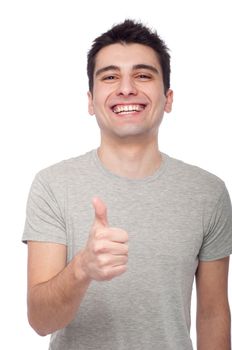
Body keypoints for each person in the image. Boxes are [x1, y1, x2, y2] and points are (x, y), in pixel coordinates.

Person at [22, 19, 232, 350]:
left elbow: (213, 314)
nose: (126, 88)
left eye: (143, 75)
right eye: (110, 77)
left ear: (169, 98)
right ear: (91, 101)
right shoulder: (52, 185)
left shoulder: (208, 193)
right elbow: (40, 320)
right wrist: (82, 268)